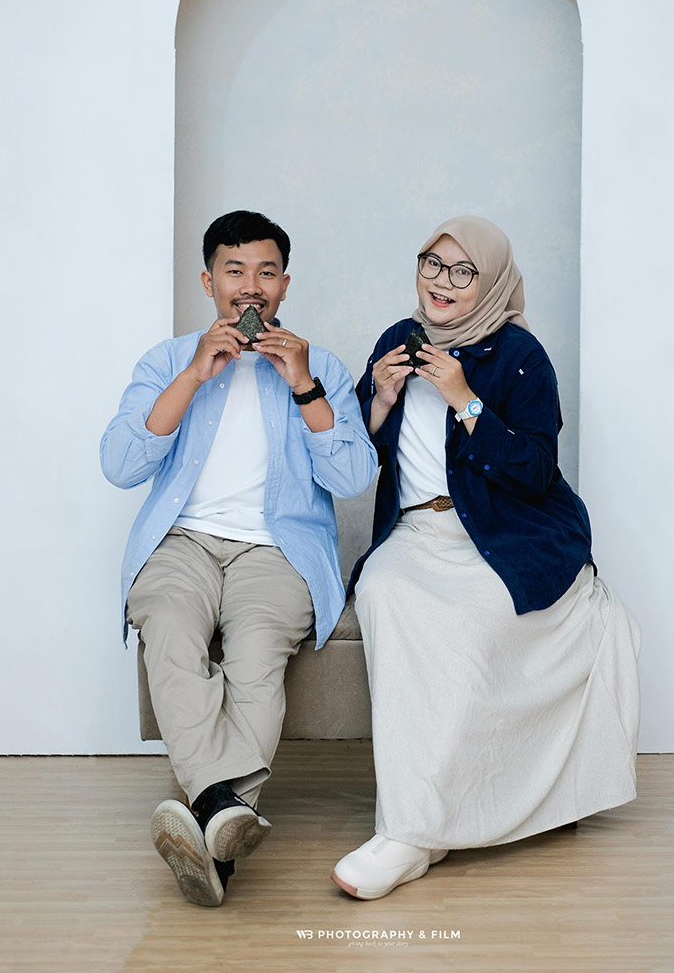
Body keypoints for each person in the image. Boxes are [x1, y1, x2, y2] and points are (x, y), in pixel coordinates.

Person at [331, 215, 640, 900]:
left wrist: (463, 399)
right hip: (414, 534)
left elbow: (533, 471)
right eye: (431, 264)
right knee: (383, 594)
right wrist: (378, 397)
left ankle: (412, 835)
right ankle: (419, 828)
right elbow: (353, 456)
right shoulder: (396, 339)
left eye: (462, 271)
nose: (441, 282)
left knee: (473, 626)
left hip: (503, 534)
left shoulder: (521, 355)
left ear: (492, 281)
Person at [101, 209, 377, 907]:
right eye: (234, 271)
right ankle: (223, 814)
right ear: (209, 282)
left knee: (256, 657)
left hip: (278, 548)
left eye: (266, 272)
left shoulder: (322, 367)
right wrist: (195, 374)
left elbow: (352, 479)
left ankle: (207, 828)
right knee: (169, 632)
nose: (250, 286)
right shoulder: (167, 360)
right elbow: (121, 464)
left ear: (284, 285)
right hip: (181, 541)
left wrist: (303, 384)